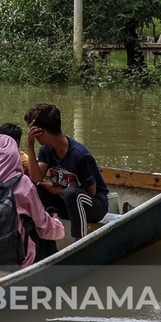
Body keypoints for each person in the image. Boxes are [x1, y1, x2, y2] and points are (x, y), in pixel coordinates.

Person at [0, 134, 65, 266]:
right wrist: (57, 223)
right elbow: (42, 224)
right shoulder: (23, 183)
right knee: (44, 231)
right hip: (17, 256)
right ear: (14, 155)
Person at [24, 102, 110, 239]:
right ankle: (44, 235)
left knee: (71, 193)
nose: (31, 134)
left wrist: (57, 191)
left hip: (94, 206)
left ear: (41, 131)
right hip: (67, 202)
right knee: (32, 186)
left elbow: (91, 192)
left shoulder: (80, 155)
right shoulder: (46, 150)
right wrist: (30, 145)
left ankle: (79, 242)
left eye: (32, 130)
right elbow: (36, 178)